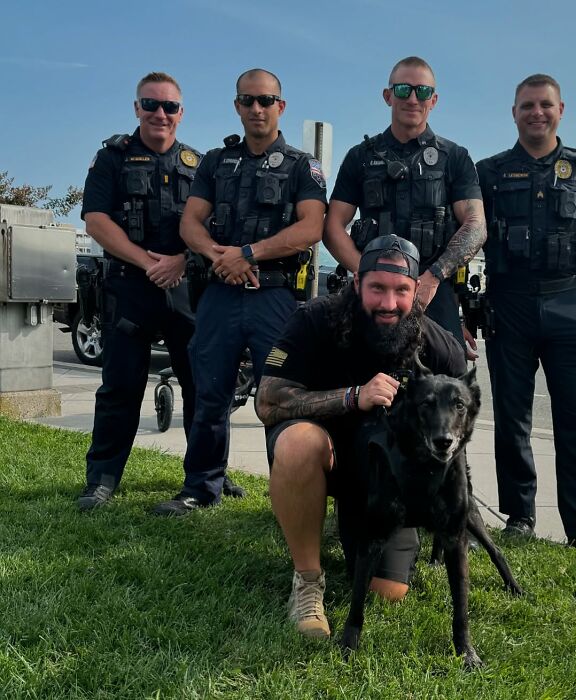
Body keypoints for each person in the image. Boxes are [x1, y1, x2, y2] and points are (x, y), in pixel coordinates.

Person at [255, 235, 467, 639]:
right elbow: (268, 402)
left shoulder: (439, 345)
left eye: (401, 291)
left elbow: (457, 426)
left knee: (389, 592)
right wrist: (353, 398)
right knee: (300, 443)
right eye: (377, 289)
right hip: (327, 457)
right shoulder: (314, 320)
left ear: (415, 290)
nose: (389, 304)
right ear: (357, 284)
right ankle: (307, 580)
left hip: (389, 481)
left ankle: (356, 525)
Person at [153, 68, 327, 516]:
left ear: (280, 107)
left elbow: (311, 227)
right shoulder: (215, 161)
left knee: (281, 397)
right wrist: (220, 257)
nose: (256, 109)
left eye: (266, 100)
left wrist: (247, 253)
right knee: (209, 392)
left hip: (276, 299)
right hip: (221, 295)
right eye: (248, 100)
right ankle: (200, 488)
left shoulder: (302, 166)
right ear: (236, 105)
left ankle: (287, 494)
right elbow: (189, 222)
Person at [476, 74, 576, 554]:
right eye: (526, 106)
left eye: (545, 105)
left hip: (570, 302)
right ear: (514, 112)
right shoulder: (490, 173)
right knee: (512, 419)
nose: (536, 113)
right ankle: (518, 516)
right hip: (509, 302)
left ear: (561, 109)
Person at [77, 72, 200, 511]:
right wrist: (149, 261)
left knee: (200, 387)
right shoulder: (112, 157)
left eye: (169, 107)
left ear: (181, 113)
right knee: (120, 387)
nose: (160, 114)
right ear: (136, 108)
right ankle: (102, 480)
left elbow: (211, 226)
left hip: (186, 288)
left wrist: (181, 261)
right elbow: (95, 220)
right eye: (151, 105)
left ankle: (205, 476)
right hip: (130, 286)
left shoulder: (198, 163)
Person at [324, 56, 486, 357]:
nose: (413, 98)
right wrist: (372, 275)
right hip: (372, 296)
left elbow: (476, 226)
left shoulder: (455, 157)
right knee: (363, 387)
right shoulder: (360, 156)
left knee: (440, 391)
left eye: (422, 91)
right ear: (388, 96)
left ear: (433, 100)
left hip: (432, 292)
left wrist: (432, 278)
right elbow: (333, 227)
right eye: (403, 90)